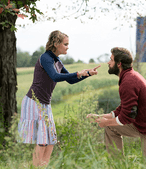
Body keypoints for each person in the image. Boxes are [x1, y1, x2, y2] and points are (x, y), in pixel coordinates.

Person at [18, 30, 100, 167]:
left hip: (45, 104)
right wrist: (78, 73)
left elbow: (71, 80)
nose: (68, 47)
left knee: (50, 141)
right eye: (66, 44)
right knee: (43, 141)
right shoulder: (46, 58)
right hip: (34, 102)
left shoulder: (57, 60)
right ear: (56, 44)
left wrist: (87, 74)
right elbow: (55, 76)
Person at [87, 47, 146, 161]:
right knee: (110, 127)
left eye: (111, 60)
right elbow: (123, 109)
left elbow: (127, 116)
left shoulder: (129, 81)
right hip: (140, 124)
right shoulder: (128, 77)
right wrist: (100, 118)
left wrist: (105, 122)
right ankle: (117, 165)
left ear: (119, 64)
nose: (108, 62)